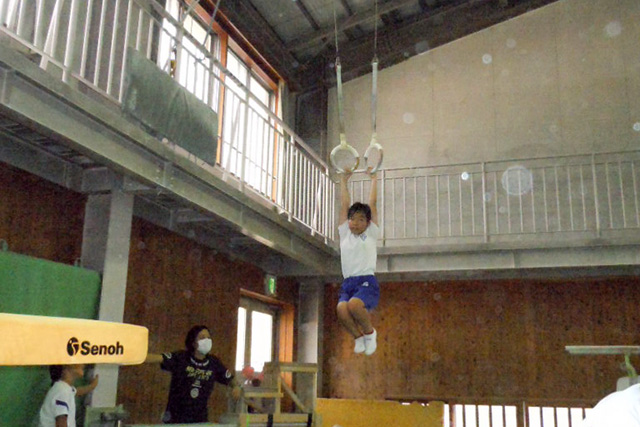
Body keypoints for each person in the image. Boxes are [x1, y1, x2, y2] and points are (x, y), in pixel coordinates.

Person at [146, 325, 241, 424]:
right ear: (193, 342)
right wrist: (138, 356)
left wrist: (236, 387)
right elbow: (158, 358)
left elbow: (230, 379)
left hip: (200, 419)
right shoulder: (181, 357)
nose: (206, 340)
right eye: (202, 337)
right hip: (176, 418)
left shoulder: (214, 363)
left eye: (208, 338)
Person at [337, 168, 380, 356]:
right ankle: (358, 337)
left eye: (361, 219)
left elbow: (373, 204)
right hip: (348, 282)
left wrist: (373, 179)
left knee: (354, 305)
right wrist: (343, 181)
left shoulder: (371, 234)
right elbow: (344, 204)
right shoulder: (344, 233)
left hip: (366, 280)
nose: (355, 222)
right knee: (341, 309)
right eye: (352, 219)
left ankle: (370, 333)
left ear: (368, 223)